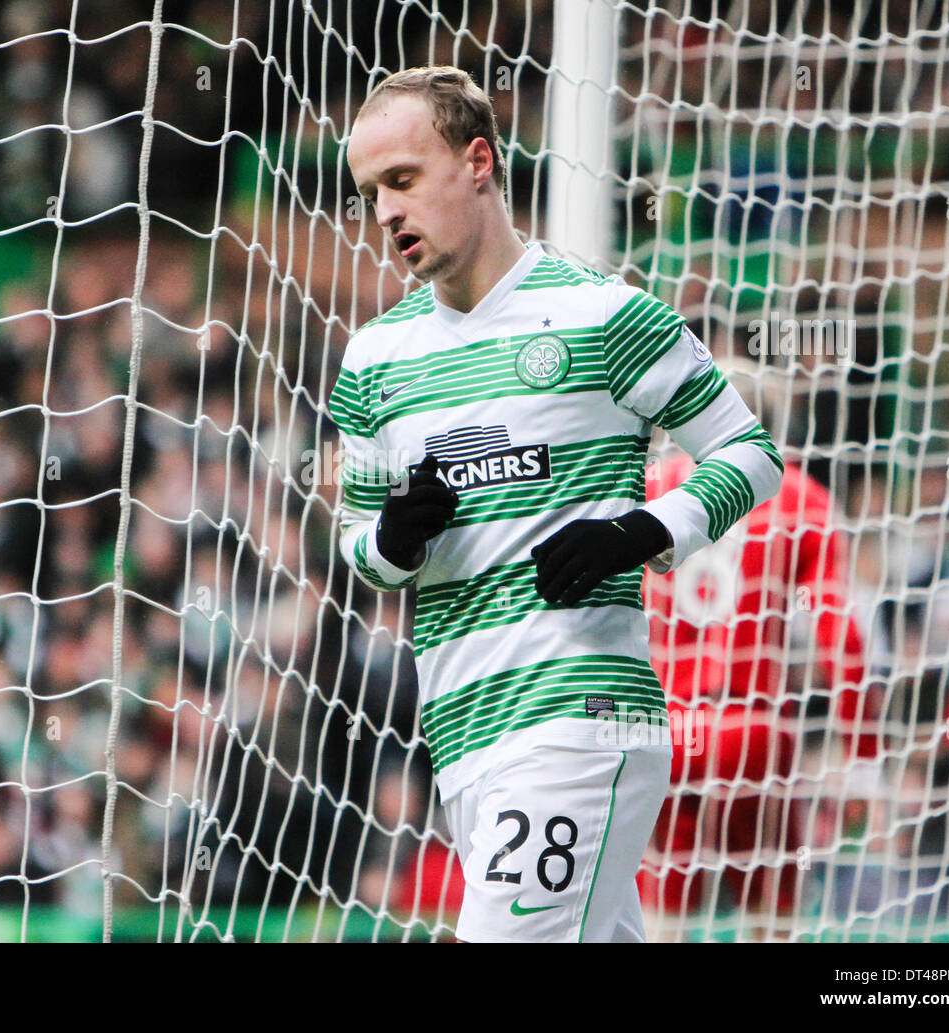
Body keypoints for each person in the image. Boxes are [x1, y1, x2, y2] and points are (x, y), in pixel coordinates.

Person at [328, 66, 783, 942]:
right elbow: (356, 544)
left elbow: (748, 453)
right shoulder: (374, 361)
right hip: (462, 729)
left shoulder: (603, 316)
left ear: (478, 162)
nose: (384, 212)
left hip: (581, 716)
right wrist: (393, 537)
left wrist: (647, 528)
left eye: (403, 179)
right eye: (369, 192)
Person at [638, 358, 870, 920]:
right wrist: (862, 751)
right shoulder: (799, 498)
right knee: (770, 915)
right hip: (753, 731)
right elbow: (837, 633)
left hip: (670, 727)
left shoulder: (652, 488)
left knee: (662, 918)